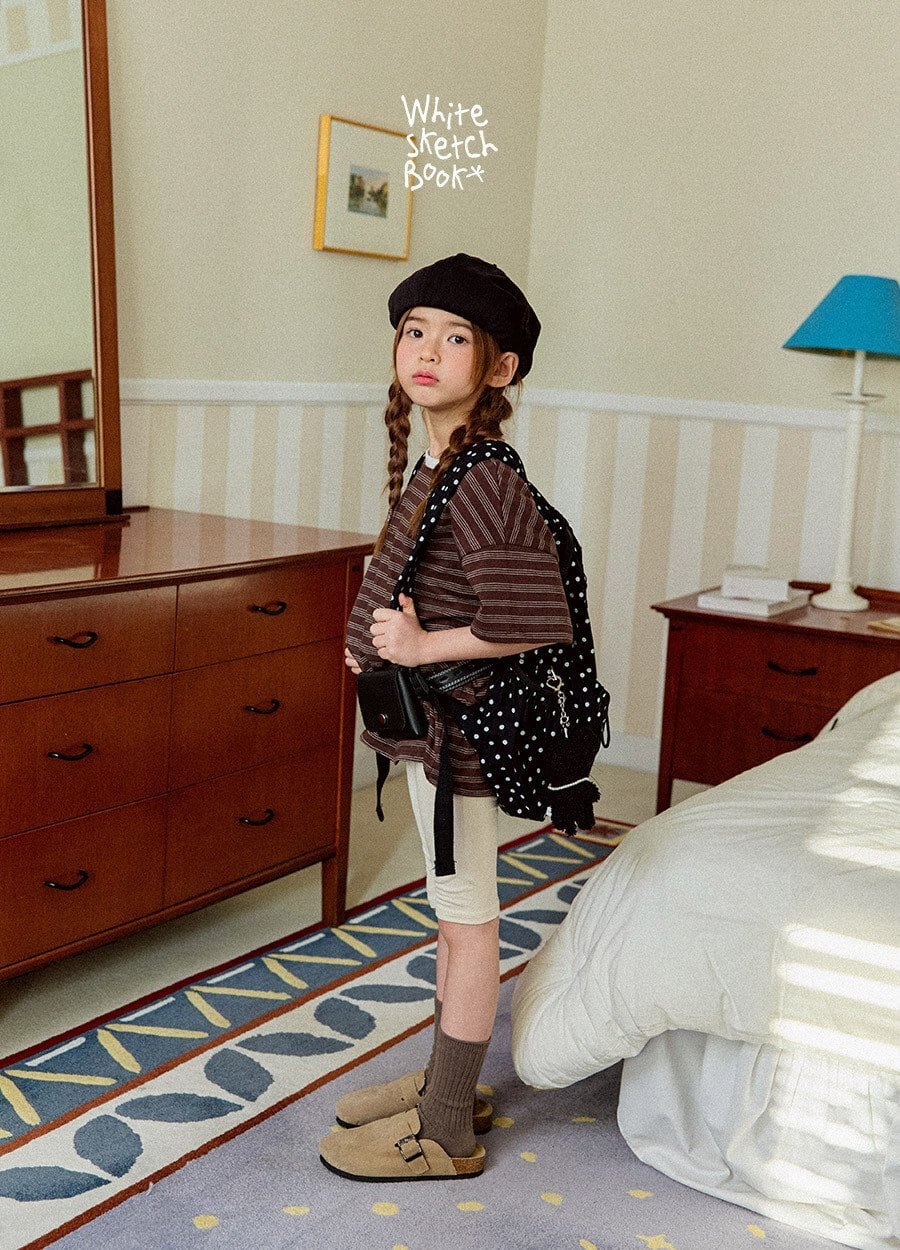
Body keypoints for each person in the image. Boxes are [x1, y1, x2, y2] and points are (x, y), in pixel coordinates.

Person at [319, 253, 573, 1182]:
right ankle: (446, 1083)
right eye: (414, 331)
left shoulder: (483, 479)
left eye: (455, 338)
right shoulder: (439, 462)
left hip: (457, 741)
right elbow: (419, 579)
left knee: (467, 925)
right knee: (448, 919)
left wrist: (421, 648)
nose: (426, 350)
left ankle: (448, 1131)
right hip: (432, 733)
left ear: (500, 368)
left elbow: (534, 617)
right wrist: (375, 643)